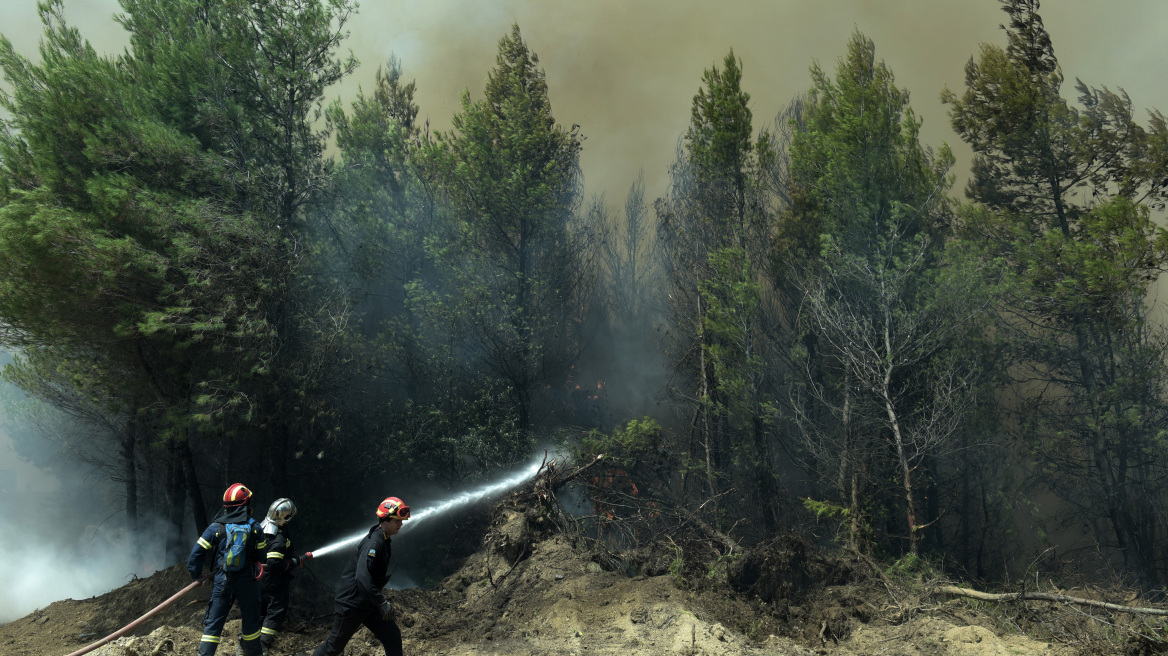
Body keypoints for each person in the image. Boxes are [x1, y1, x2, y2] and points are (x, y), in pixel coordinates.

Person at [311, 496, 411, 656]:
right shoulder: (374, 544)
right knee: (333, 648)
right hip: (351, 604)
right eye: (397, 520)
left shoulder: (384, 539)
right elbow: (362, 578)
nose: (401, 524)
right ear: (385, 519)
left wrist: (376, 601)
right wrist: (381, 602)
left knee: (391, 635)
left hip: (367, 601)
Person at [187, 483, 268, 656]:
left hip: (223, 582)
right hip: (248, 583)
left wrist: (197, 575)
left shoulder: (216, 527)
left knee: (213, 624)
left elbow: (196, 553)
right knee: (251, 624)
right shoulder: (255, 527)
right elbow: (262, 558)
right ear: (245, 505)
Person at [258, 498, 313, 655]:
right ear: (286, 517)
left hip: (258, 579)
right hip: (273, 581)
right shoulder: (278, 538)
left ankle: (248, 645)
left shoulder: (261, 529)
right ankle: (262, 646)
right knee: (276, 612)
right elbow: (274, 563)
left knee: (261, 612)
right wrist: (293, 562)